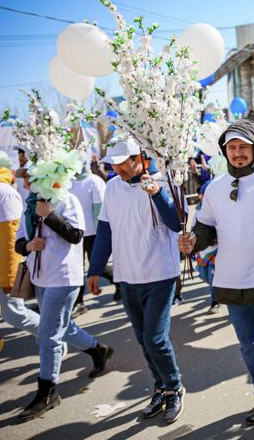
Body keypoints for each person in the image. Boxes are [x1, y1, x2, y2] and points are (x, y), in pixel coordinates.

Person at [179, 119, 254, 440]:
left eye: (244, 147)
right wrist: (193, 242)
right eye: (232, 148)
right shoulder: (214, 188)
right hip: (230, 282)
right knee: (248, 346)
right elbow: (205, 229)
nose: (238, 153)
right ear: (224, 151)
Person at [86, 136, 186, 424]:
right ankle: (161, 386)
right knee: (144, 339)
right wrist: (95, 270)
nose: (117, 168)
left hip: (160, 274)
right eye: (113, 164)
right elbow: (104, 231)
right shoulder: (112, 188)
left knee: (156, 337)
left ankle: (174, 386)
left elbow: (175, 222)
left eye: (122, 163)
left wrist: (156, 194)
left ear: (139, 159)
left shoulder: (164, 181)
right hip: (127, 276)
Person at [15, 173, 112, 422]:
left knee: (48, 335)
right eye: (25, 178)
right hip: (40, 277)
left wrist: (49, 214)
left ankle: (48, 392)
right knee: (62, 326)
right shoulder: (29, 202)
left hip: (63, 277)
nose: (26, 182)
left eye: (31, 177)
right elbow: (19, 241)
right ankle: (97, 349)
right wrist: (27, 246)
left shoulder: (67, 200)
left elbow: (76, 235)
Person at [0, 152, 38, 336]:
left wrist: (9, 276)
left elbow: (12, 238)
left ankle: (55, 340)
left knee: (15, 314)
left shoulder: (2, 193)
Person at [70, 160, 107, 317]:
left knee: (97, 265)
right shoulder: (69, 182)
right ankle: (78, 302)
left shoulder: (94, 181)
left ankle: (119, 283)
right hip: (75, 233)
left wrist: (102, 234)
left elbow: (99, 208)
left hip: (93, 233)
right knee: (77, 268)